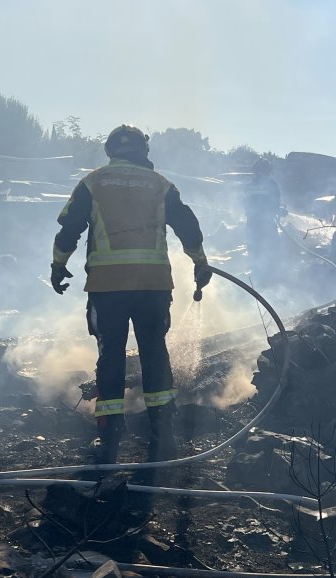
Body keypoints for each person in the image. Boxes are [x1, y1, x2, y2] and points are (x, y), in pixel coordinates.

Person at [50, 124, 212, 468]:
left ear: (111, 150)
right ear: (144, 151)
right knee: (154, 352)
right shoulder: (160, 185)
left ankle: (109, 436)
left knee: (110, 355)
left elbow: (70, 229)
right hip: (153, 285)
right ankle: (162, 433)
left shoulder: (93, 182)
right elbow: (188, 225)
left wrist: (58, 265)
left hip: (107, 286)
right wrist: (200, 263)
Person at [243, 157, 283, 284]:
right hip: (266, 225)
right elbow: (274, 204)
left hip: (253, 224)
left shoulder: (249, 185)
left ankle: (259, 277)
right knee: (271, 250)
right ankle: (270, 279)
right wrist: (278, 211)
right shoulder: (272, 184)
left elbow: (246, 204)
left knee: (255, 251)